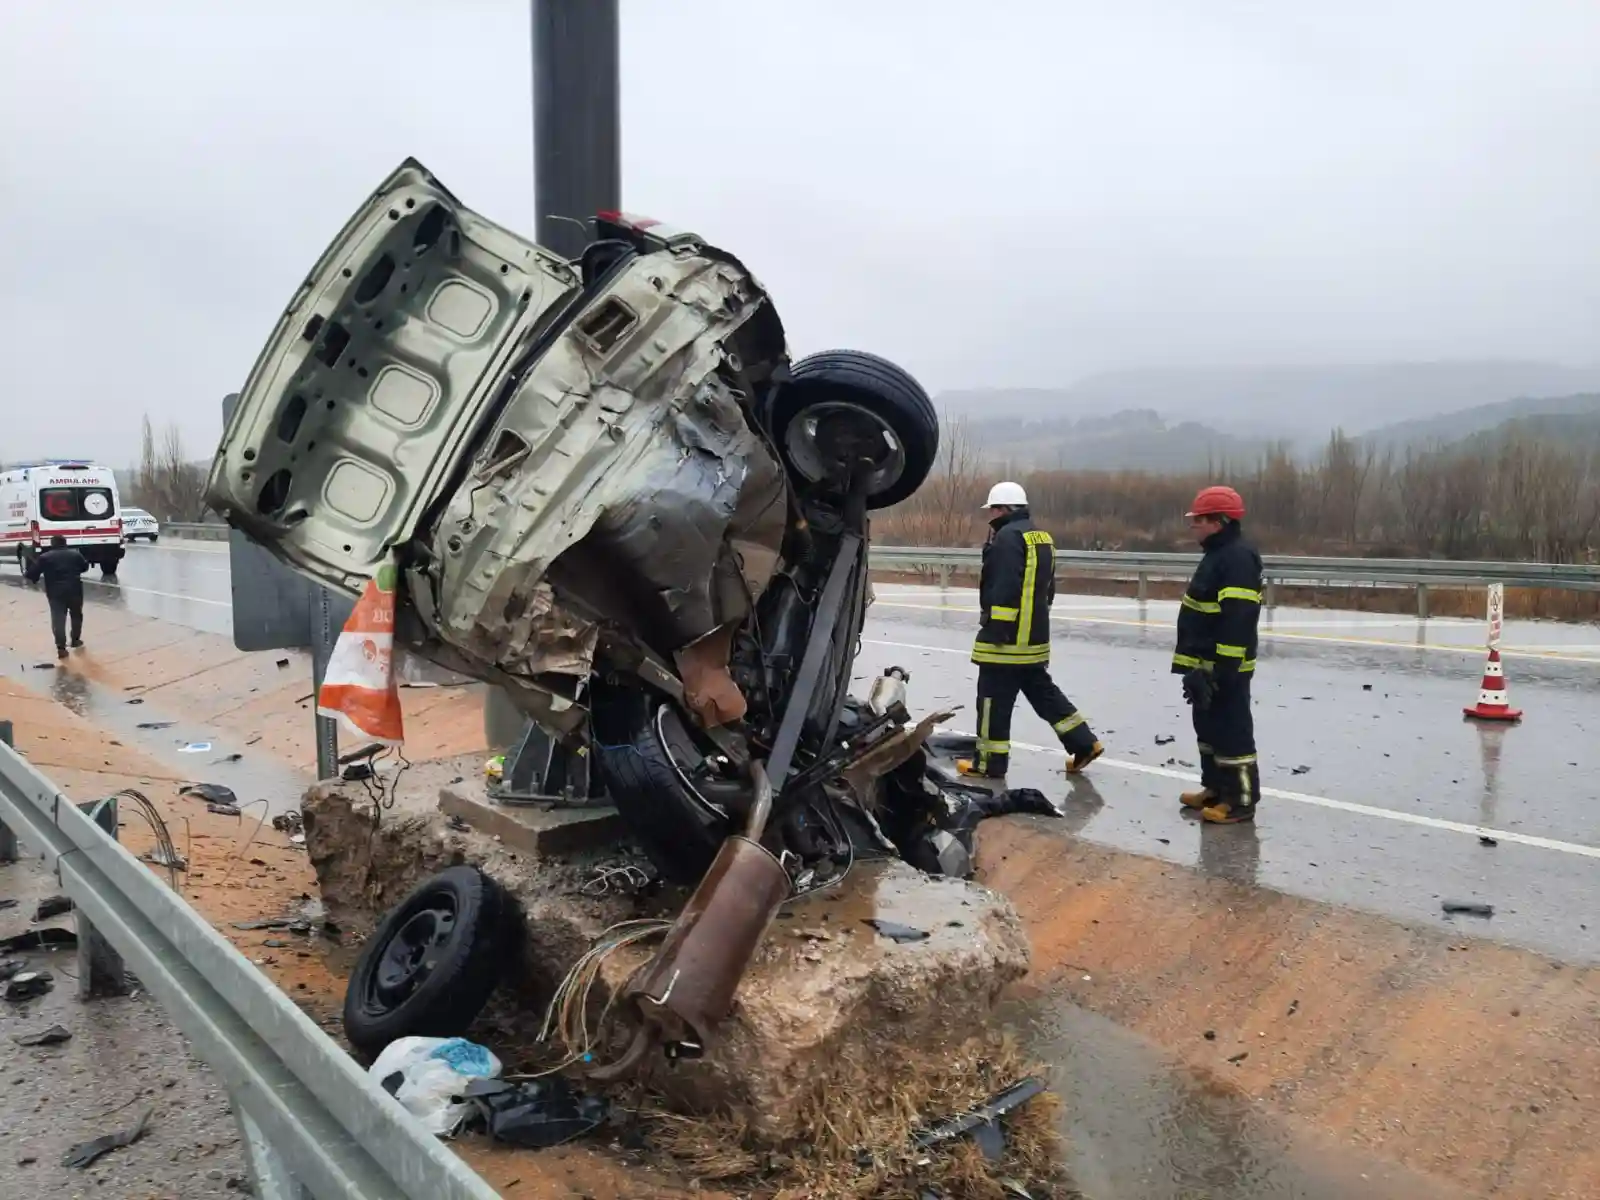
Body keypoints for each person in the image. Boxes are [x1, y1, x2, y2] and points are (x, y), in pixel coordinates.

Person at [957, 481, 1104, 780]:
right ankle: (1084, 743)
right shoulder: (1041, 537)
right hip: (1034, 638)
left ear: (1004, 509)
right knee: (1043, 693)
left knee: (992, 700)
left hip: (1007, 640)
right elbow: (1048, 589)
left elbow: (1004, 588)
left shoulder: (1007, 538)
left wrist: (996, 629)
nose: (991, 515)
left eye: (994, 509)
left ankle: (988, 764)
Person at [1172, 485, 1263, 823]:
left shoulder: (1237, 558)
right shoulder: (1217, 554)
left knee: (1231, 731)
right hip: (1204, 664)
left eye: (1198, 519)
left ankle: (1240, 800)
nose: (1193, 525)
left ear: (1219, 521)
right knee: (1208, 729)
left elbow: (1237, 617)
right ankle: (1214, 786)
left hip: (1225, 666)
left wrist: (1223, 668)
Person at [25, 535, 90, 660]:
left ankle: (61, 648)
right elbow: (84, 567)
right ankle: (75, 639)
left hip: (55, 593)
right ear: (65, 543)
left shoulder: (45, 557)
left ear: (52, 544)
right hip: (75, 590)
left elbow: (31, 574)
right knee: (76, 615)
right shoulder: (75, 555)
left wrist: (31, 568)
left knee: (58, 619)